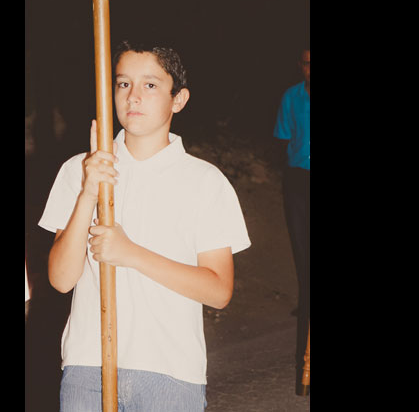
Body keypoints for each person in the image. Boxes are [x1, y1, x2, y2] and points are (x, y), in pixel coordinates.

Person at [39, 40, 251, 411]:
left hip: (170, 374)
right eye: (123, 84)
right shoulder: (80, 170)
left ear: (178, 99)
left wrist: (131, 253)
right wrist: (89, 193)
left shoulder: (204, 181)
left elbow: (218, 291)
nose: (133, 96)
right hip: (88, 367)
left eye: (150, 85)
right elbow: (60, 279)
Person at [273, 46, 310, 395]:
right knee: (304, 258)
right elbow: (282, 140)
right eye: (307, 63)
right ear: (301, 66)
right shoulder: (291, 97)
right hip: (299, 181)